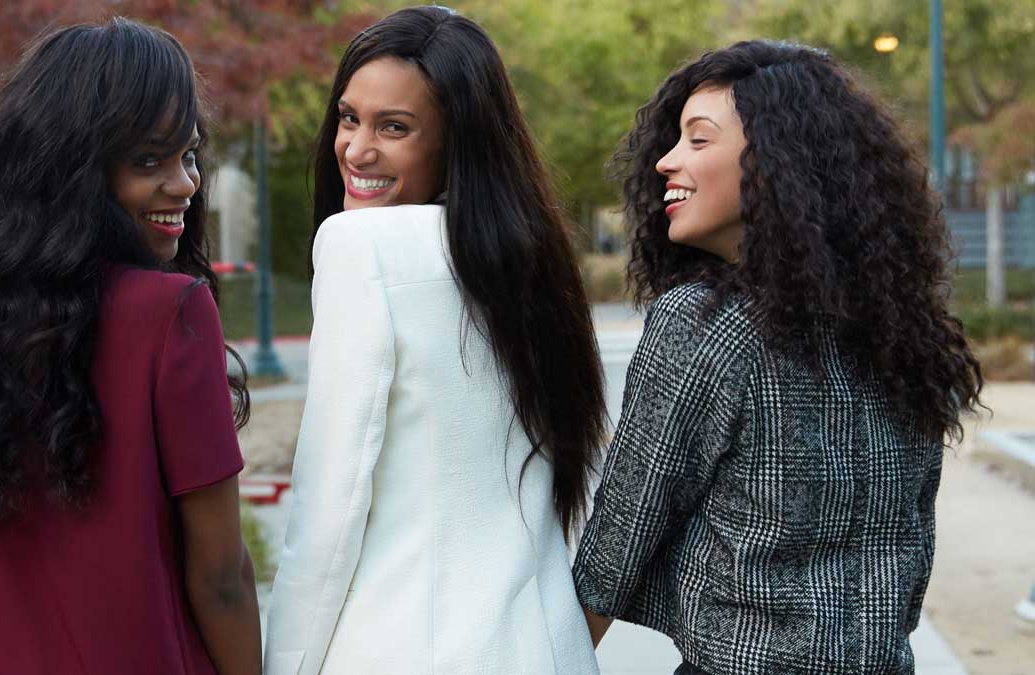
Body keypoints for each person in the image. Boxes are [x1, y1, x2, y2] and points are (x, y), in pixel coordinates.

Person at [573, 40, 984, 674]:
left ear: (772, 163)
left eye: (697, 140)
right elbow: (911, 540)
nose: (665, 162)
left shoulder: (705, 324)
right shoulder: (900, 329)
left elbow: (621, 535)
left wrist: (556, 655)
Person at [0, 18, 261, 675]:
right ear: (73, 173)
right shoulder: (170, 313)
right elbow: (222, 576)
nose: (185, 183)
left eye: (189, 153)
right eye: (148, 159)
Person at [263, 6, 607, 674]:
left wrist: (286, 664)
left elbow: (329, 512)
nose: (357, 149)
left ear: (458, 143)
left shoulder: (361, 247)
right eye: (348, 117)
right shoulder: (534, 264)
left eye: (395, 127)